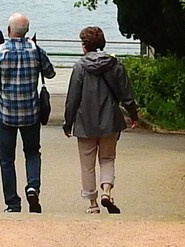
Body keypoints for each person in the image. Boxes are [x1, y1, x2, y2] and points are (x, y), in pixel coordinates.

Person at [60, 25, 140, 214]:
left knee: (87, 164)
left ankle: (92, 204)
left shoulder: (80, 67)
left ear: (85, 46)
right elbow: (126, 94)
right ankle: (106, 191)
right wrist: (133, 115)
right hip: (110, 120)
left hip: (84, 122)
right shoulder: (115, 65)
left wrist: (68, 122)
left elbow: (73, 98)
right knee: (107, 158)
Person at [0, 13, 54, 213]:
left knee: (7, 159)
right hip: (31, 113)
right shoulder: (36, 50)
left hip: (6, 113)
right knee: (32, 152)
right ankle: (33, 187)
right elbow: (50, 73)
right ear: (27, 32)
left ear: (8, 31)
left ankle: (13, 204)